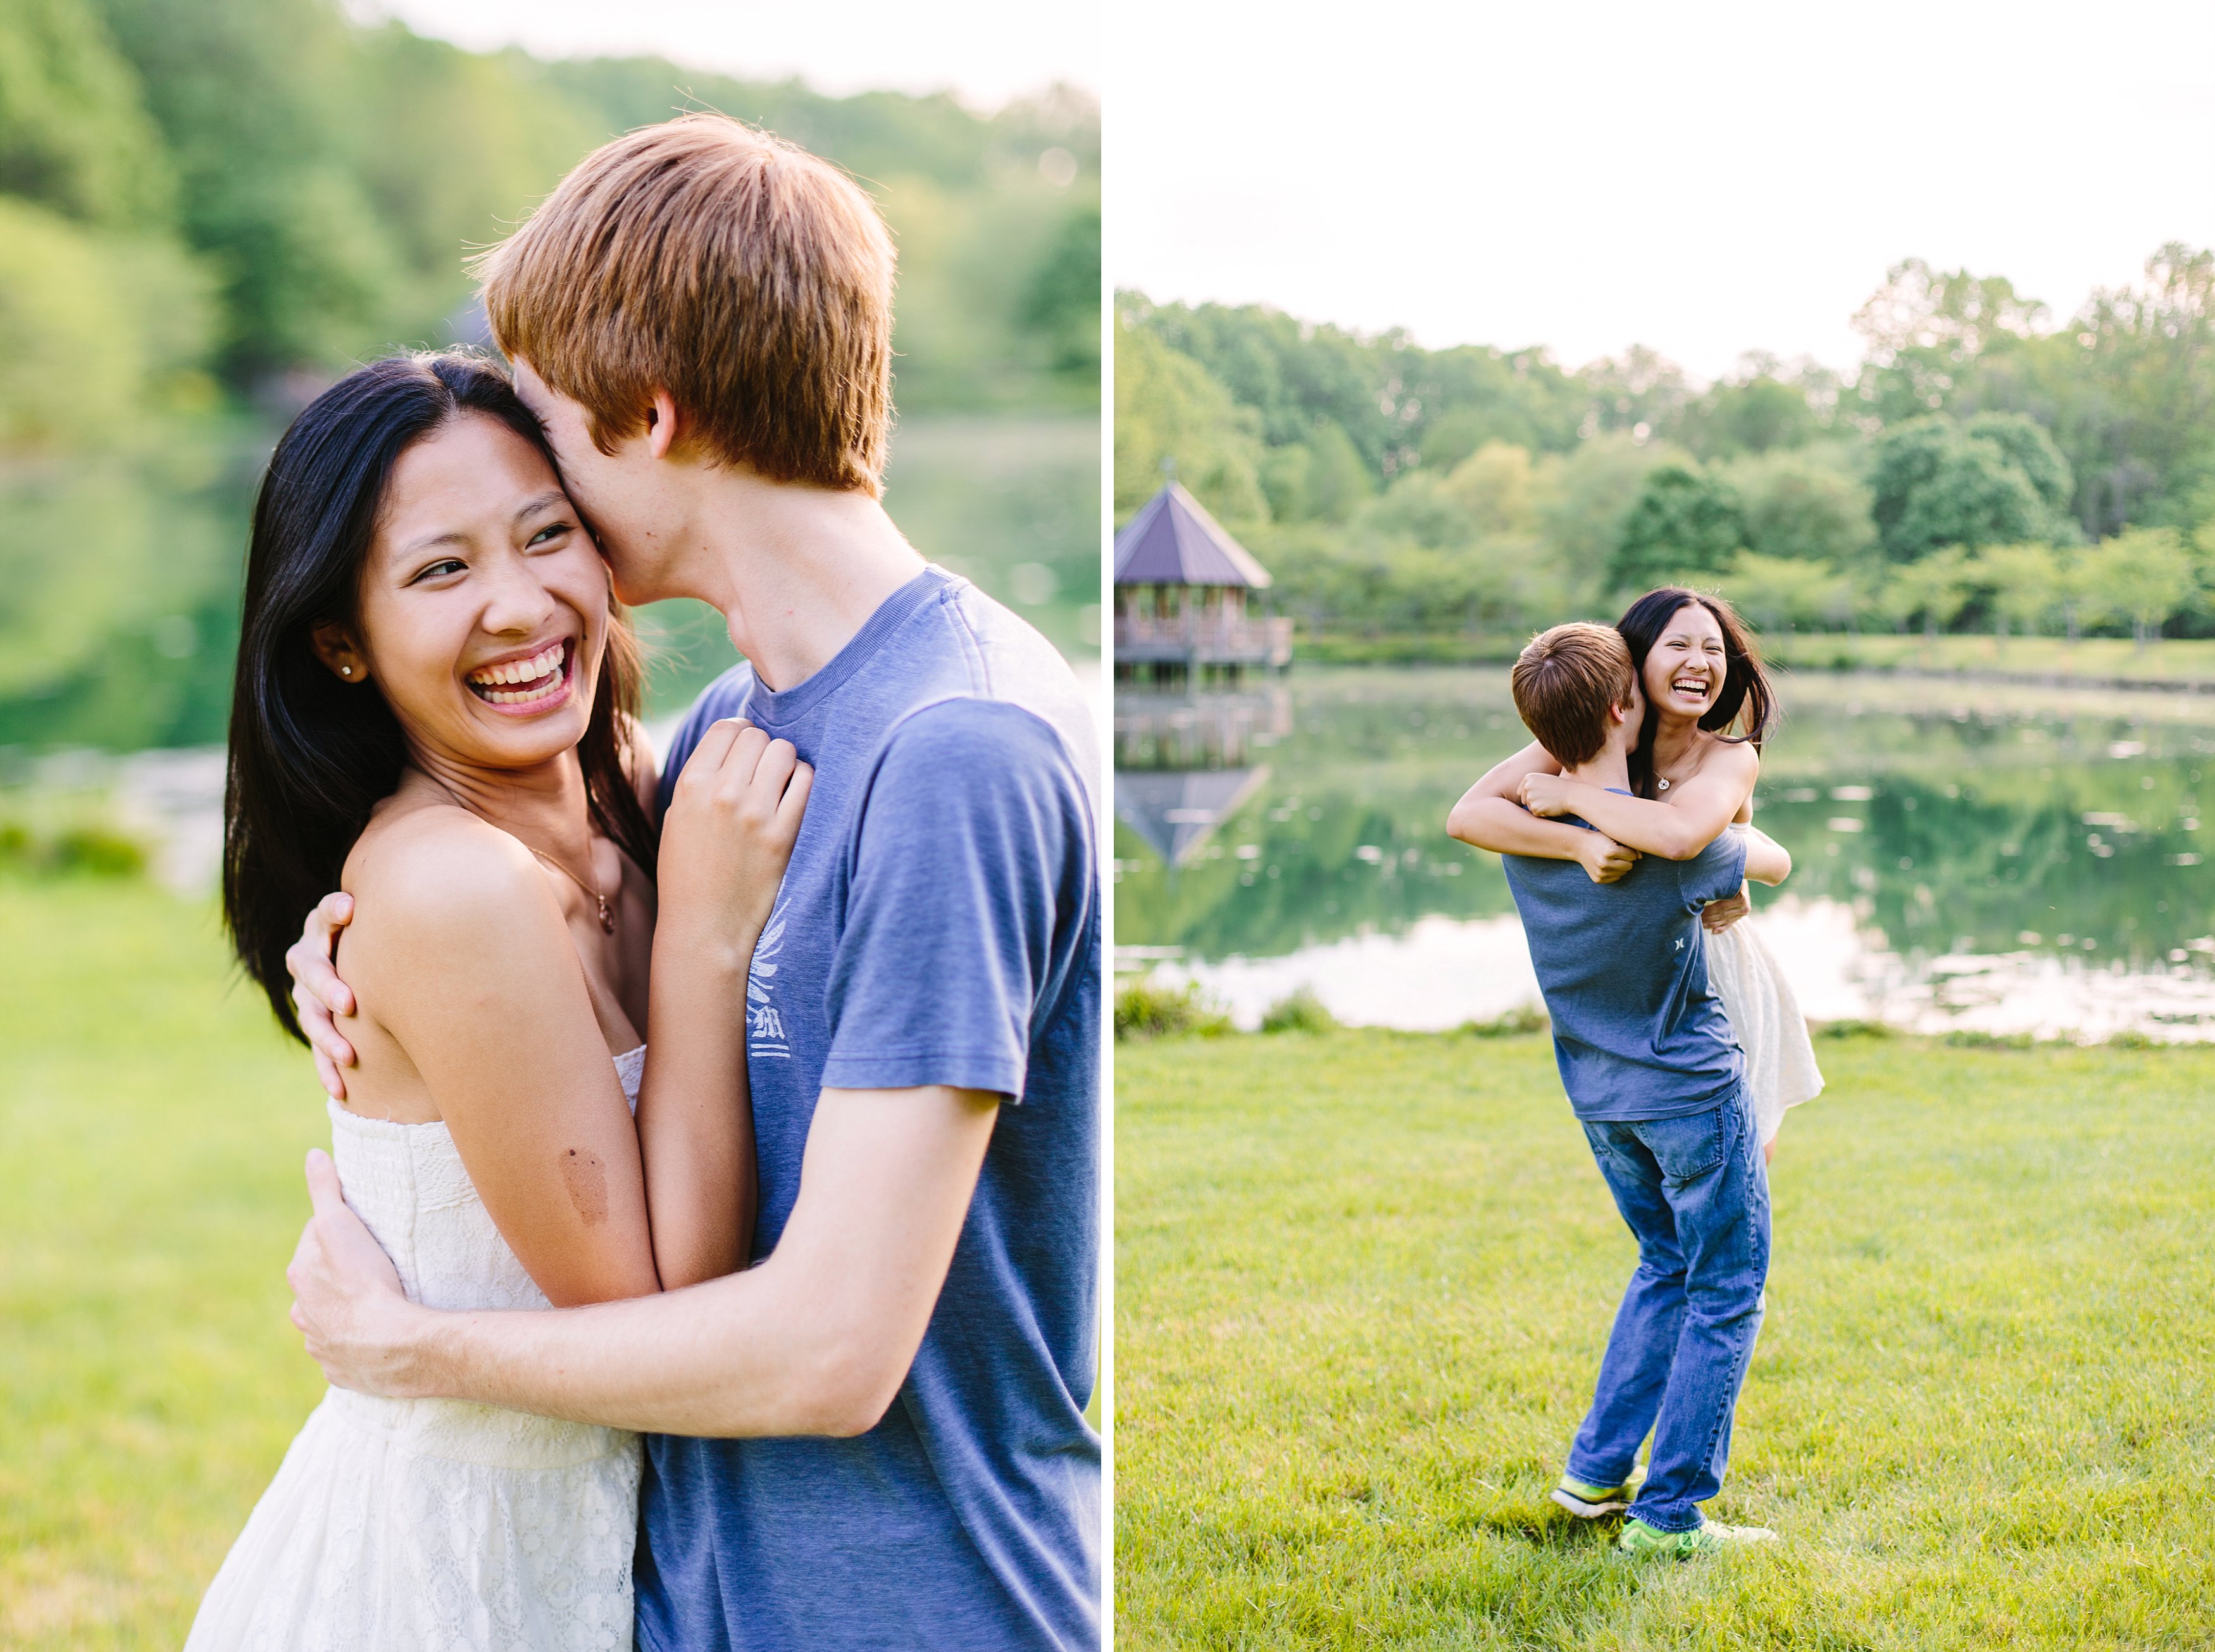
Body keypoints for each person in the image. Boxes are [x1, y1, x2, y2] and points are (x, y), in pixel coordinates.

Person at [280, 115, 1101, 1652]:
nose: (550, 509)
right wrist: (345, 939)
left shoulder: (958, 747)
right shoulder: (732, 733)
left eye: (552, 443)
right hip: (688, 1596)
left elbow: (832, 1354)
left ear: (647, 417)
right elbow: (536, 937)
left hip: (921, 1604)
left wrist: (416, 1345)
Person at [189, 350, 810, 1649]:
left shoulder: (627, 791)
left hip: (607, 1561)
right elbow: (652, 1321)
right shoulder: (450, 888)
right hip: (447, 1582)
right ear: (341, 644)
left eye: (548, 537)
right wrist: (703, 934)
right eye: (441, 570)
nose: (521, 607)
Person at [1456, 622, 1791, 1555]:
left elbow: (1472, 812)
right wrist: (1731, 838)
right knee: (1726, 1288)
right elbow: (1766, 858)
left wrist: (1561, 794)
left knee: (1664, 1265)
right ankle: (1670, 1517)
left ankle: (1594, 1477)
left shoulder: (1535, 836)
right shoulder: (1670, 844)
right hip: (1690, 1089)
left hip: (1598, 1098)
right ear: (1623, 704)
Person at [1450, 589, 1821, 1156]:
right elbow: (1469, 815)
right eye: (1679, 645)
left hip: (1712, 961)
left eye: (1714, 650)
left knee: (1742, 1149)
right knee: (1660, 1156)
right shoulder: (1599, 732)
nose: (1700, 662)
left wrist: (1574, 793)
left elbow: (1686, 837)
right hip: (1636, 972)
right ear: (1637, 660)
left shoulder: (1728, 756)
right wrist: (1576, 845)